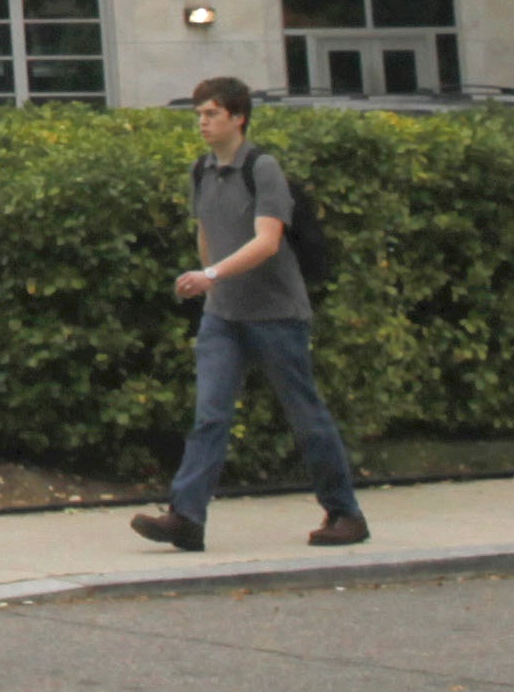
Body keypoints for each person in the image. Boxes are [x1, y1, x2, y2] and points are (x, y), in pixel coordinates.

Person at [126, 76, 368, 554]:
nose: (202, 122)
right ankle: (186, 518)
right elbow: (206, 232)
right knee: (209, 416)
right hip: (223, 317)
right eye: (199, 114)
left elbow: (267, 240)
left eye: (211, 114)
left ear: (238, 116)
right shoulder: (201, 170)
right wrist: (205, 275)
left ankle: (345, 513)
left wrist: (211, 273)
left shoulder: (263, 168)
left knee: (305, 415)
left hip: (276, 314)